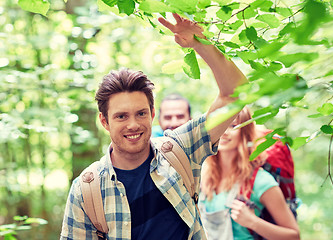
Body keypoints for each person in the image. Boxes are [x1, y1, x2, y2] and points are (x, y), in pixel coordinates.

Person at [60, 13, 248, 240]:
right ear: (104, 121)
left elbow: (236, 94)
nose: (133, 124)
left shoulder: (181, 149)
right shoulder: (86, 190)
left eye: (141, 114)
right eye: (121, 116)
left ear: (152, 114)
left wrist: (200, 43)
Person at [199, 107, 300, 240]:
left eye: (233, 126)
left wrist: (253, 222)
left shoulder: (260, 181)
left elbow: (294, 236)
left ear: (245, 132)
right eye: (220, 125)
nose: (224, 132)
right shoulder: (203, 175)